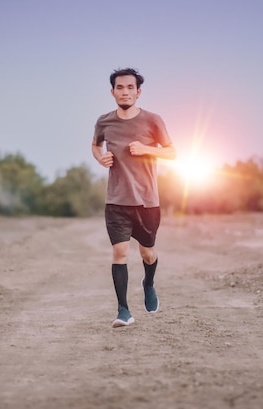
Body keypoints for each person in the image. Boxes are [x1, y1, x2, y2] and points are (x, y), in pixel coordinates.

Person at [91, 68, 177, 327]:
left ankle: (148, 282)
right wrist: (100, 157)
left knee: (147, 253)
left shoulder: (153, 120)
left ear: (138, 92)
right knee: (119, 252)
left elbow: (172, 152)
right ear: (112, 92)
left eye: (130, 87)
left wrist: (146, 149)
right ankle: (123, 310)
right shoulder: (104, 121)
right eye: (120, 87)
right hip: (116, 201)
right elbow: (96, 144)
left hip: (147, 201)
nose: (125, 91)